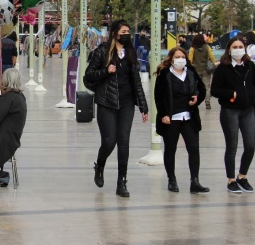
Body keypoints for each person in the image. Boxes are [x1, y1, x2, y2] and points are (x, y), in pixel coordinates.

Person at [84, 19, 148, 198]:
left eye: (128, 31)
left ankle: (122, 182)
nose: (126, 34)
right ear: (114, 33)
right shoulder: (102, 52)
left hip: (127, 103)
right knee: (109, 141)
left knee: (124, 142)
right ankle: (100, 165)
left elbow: (136, 81)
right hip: (107, 102)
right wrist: (106, 71)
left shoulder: (130, 53)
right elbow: (87, 76)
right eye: (123, 31)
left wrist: (143, 106)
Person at [154, 47, 209, 194]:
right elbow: (158, 96)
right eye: (177, 56)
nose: (180, 59)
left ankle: (195, 181)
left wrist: (197, 99)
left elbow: (202, 90)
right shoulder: (164, 74)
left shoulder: (191, 72)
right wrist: (163, 114)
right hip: (171, 118)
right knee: (170, 149)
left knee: (193, 148)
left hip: (189, 116)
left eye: (182, 56)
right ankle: (171, 179)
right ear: (171, 59)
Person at [210, 36, 255, 193]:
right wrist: (232, 94)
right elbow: (215, 90)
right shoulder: (223, 68)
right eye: (235, 47)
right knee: (232, 146)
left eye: (240, 46)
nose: (238, 49)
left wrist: (251, 95)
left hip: (248, 109)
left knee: (250, 145)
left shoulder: (249, 66)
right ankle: (231, 180)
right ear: (229, 50)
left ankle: (242, 176)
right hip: (230, 110)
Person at [188, 34, 218, 109]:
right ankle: (207, 103)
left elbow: (190, 60)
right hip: (206, 70)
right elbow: (212, 57)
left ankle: (194, 101)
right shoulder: (207, 47)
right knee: (207, 87)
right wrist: (214, 64)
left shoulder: (192, 49)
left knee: (194, 86)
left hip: (195, 70)